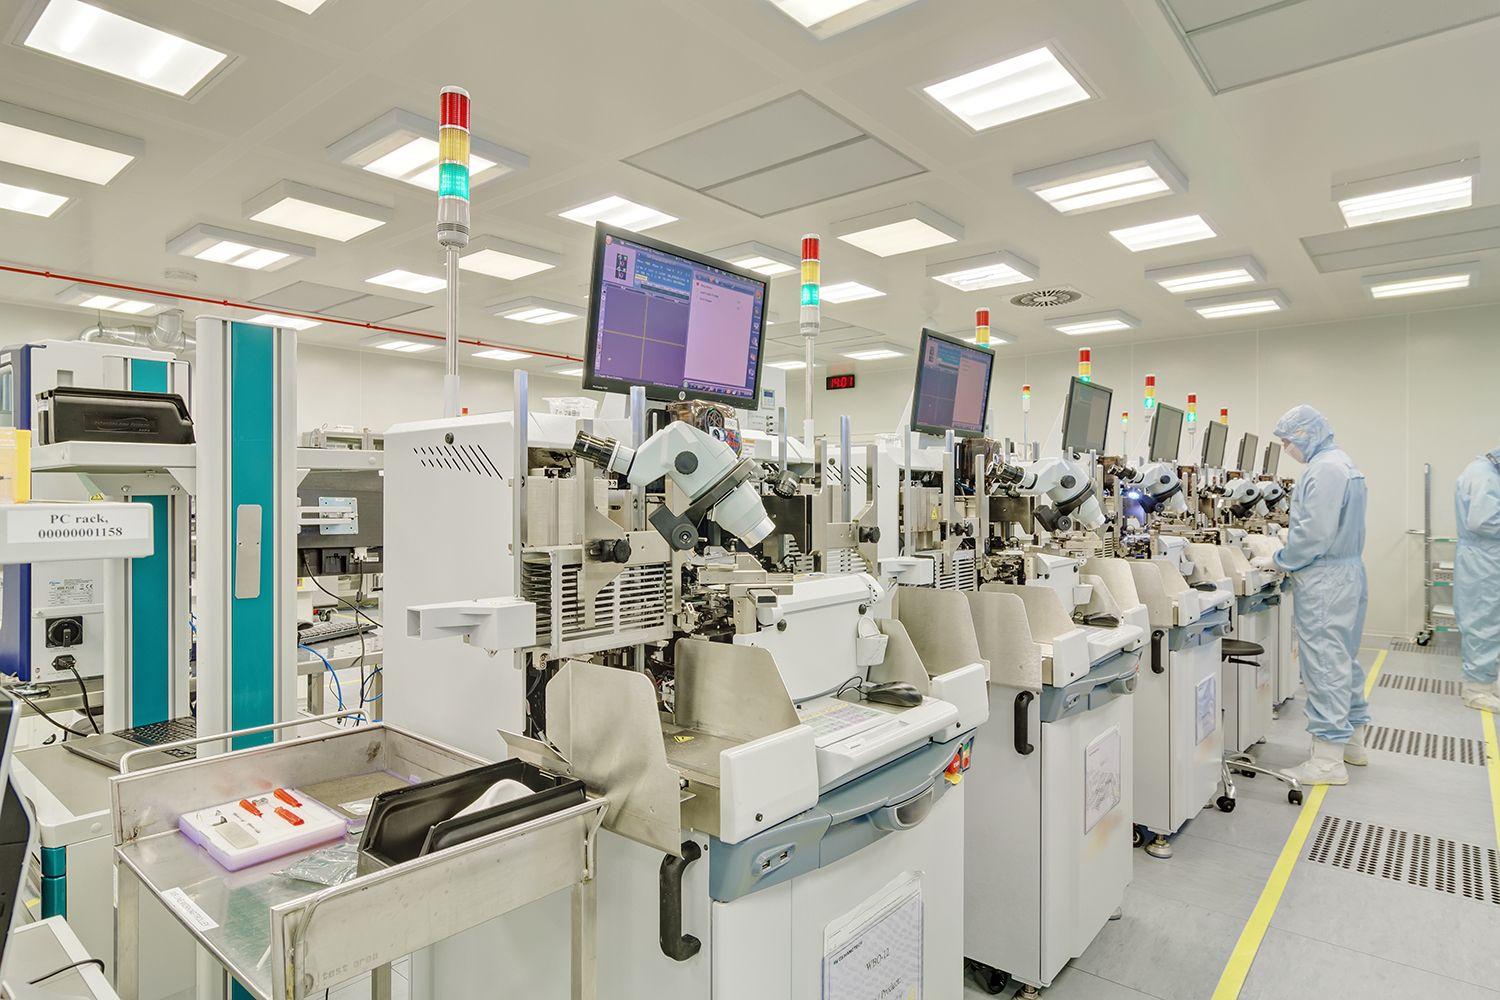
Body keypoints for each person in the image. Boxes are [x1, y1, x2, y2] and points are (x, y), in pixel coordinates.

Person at [1248, 405, 1369, 785]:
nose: (1286, 448)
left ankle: (1327, 762)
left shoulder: (1323, 470)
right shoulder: (1343, 463)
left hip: (1325, 581)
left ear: (1306, 434)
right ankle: (1352, 744)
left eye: (1287, 441)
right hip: (1347, 574)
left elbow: (1314, 535)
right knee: (1343, 660)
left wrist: (1279, 559)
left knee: (1325, 667)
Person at [1454, 448, 1500, 711]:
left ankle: (1486, 682)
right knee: (1484, 623)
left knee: (1489, 621)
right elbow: (1483, 522)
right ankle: (1477, 690)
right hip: (1483, 561)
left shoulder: (1486, 472)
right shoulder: (1484, 475)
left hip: (1486, 557)